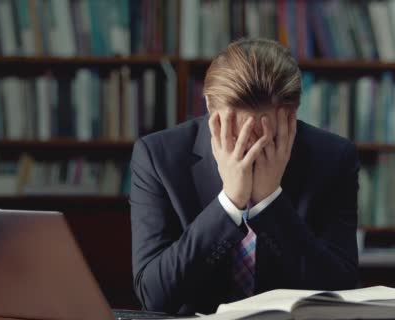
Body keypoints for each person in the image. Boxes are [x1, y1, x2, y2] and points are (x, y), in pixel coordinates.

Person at [130, 38, 359, 315]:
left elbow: (341, 291)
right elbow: (153, 295)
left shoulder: (333, 158)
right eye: (237, 138)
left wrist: (270, 203)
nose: (250, 153)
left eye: (266, 140)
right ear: (210, 108)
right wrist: (229, 203)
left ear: (291, 116)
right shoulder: (158, 158)